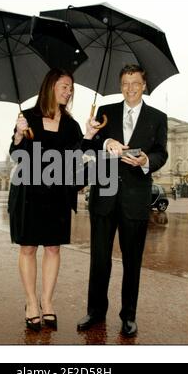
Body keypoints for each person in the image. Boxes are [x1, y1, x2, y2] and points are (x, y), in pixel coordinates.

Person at [77, 64, 168, 337]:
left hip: (135, 198)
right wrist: (105, 142)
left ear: (144, 86)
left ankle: (128, 316)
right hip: (104, 197)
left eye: (135, 83)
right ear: (120, 85)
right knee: (100, 259)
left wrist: (145, 161)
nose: (130, 88)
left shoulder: (158, 117)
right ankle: (95, 312)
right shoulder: (104, 113)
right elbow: (89, 146)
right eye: (125, 83)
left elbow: (161, 153)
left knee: (132, 261)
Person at [8, 68, 99, 331]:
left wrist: (89, 136)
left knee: (53, 249)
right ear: (50, 86)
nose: (68, 92)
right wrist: (18, 134)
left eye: (71, 88)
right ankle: (30, 303)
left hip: (57, 195)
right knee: (27, 249)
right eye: (64, 86)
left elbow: (76, 160)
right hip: (28, 194)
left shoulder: (70, 124)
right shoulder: (27, 117)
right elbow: (16, 155)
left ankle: (46, 302)